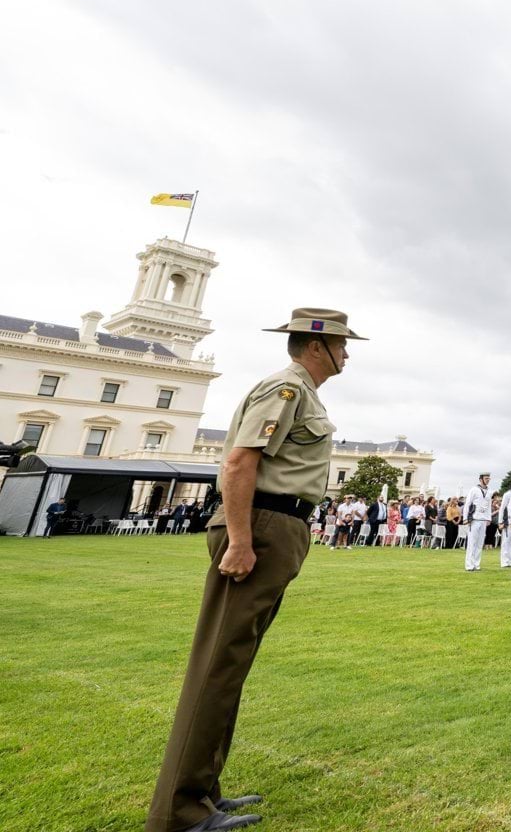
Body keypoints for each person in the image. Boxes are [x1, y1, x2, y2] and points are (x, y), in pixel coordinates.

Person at [146, 306, 362, 832]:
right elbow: (240, 462)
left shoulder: (302, 393)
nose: (348, 352)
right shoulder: (285, 389)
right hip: (261, 526)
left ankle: (203, 793)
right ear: (318, 346)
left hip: (276, 526)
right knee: (218, 667)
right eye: (341, 343)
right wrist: (241, 540)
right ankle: (180, 813)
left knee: (231, 666)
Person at [463, 473, 492, 571]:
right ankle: (469, 565)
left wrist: (489, 518)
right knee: (472, 542)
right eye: (486, 478)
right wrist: (465, 518)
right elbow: (468, 504)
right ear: (481, 479)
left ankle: (476, 564)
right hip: (474, 519)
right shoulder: (474, 490)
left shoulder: (489, 491)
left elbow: (489, 506)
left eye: (489, 478)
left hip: (483, 519)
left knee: (480, 543)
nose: (488, 480)